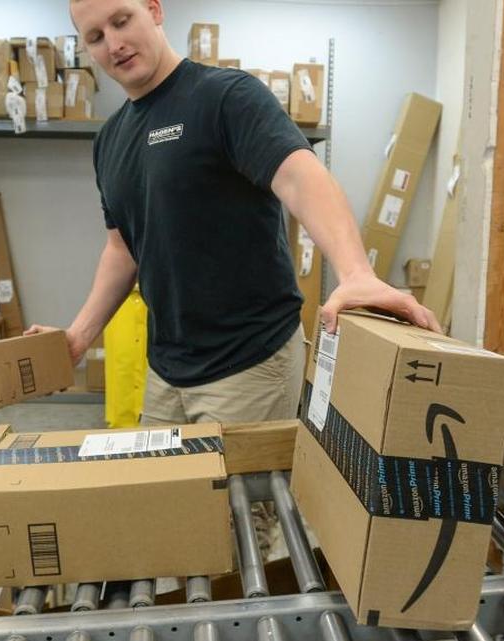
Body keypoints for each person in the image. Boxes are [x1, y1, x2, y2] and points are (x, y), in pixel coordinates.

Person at [28, 0, 441, 427]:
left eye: (121, 21)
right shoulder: (110, 140)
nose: (114, 44)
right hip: (165, 368)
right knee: (159, 493)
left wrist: (356, 274)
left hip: (248, 363)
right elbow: (122, 248)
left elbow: (301, 178)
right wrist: (78, 336)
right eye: (96, 37)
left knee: (245, 497)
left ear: (153, 10)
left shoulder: (225, 96)